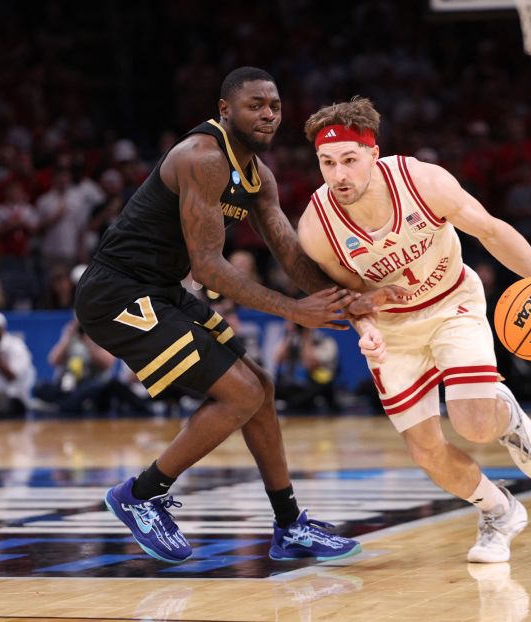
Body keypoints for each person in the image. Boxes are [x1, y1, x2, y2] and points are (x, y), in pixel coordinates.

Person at [74, 67, 393, 565]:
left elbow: (289, 253)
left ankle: (290, 526)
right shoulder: (201, 158)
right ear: (225, 110)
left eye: (275, 106)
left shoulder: (258, 175)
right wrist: (293, 309)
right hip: (117, 293)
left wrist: (344, 299)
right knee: (239, 392)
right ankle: (141, 494)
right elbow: (207, 266)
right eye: (255, 105)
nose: (268, 114)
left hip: (159, 289)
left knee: (261, 389)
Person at [296, 97, 531, 564]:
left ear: (374, 154)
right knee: (426, 452)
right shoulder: (317, 228)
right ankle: (499, 510)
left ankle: (505, 416)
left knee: (474, 425)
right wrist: (365, 324)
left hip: (452, 303)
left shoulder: (422, 181)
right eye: (327, 163)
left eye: (349, 160)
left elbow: (489, 232)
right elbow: (353, 297)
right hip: (394, 332)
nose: (339, 174)